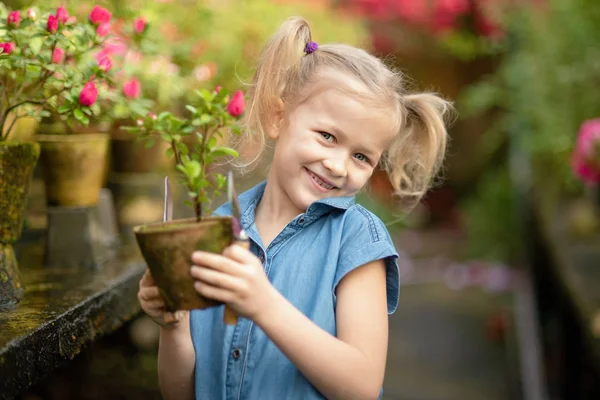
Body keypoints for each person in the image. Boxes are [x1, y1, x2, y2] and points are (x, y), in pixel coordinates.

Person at [138, 16, 452, 400]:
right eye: (327, 136)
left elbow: (362, 386)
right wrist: (173, 325)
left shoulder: (355, 241)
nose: (338, 166)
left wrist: (263, 304)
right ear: (278, 117)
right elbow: (180, 392)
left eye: (361, 157)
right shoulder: (219, 230)